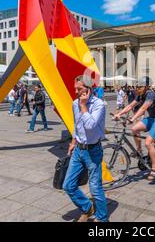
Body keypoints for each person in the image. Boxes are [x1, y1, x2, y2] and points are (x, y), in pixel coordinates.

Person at [63, 75, 108, 222]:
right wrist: (73, 142)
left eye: (79, 88)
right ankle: (87, 207)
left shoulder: (98, 104)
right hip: (78, 150)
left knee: (95, 187)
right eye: (75, 88)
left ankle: (102, 218)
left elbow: (89, 125)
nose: (76, 91)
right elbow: (77, 125)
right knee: (68, 185)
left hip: (93, 151)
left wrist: (83, 106)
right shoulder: (75, 103)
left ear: (88, 89)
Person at [114, 76, 155, 181]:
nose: (137, 89)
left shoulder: (150, 95)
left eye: (140, 86)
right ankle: (139, 151)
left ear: (147, 87)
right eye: (137, 86)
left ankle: (154, 166)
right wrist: (119, 114)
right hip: (152, 119)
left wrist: (132, 118)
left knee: (148, 142)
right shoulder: (141, 95)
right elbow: (130, 106)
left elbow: (143, 108)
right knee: (134, 129)